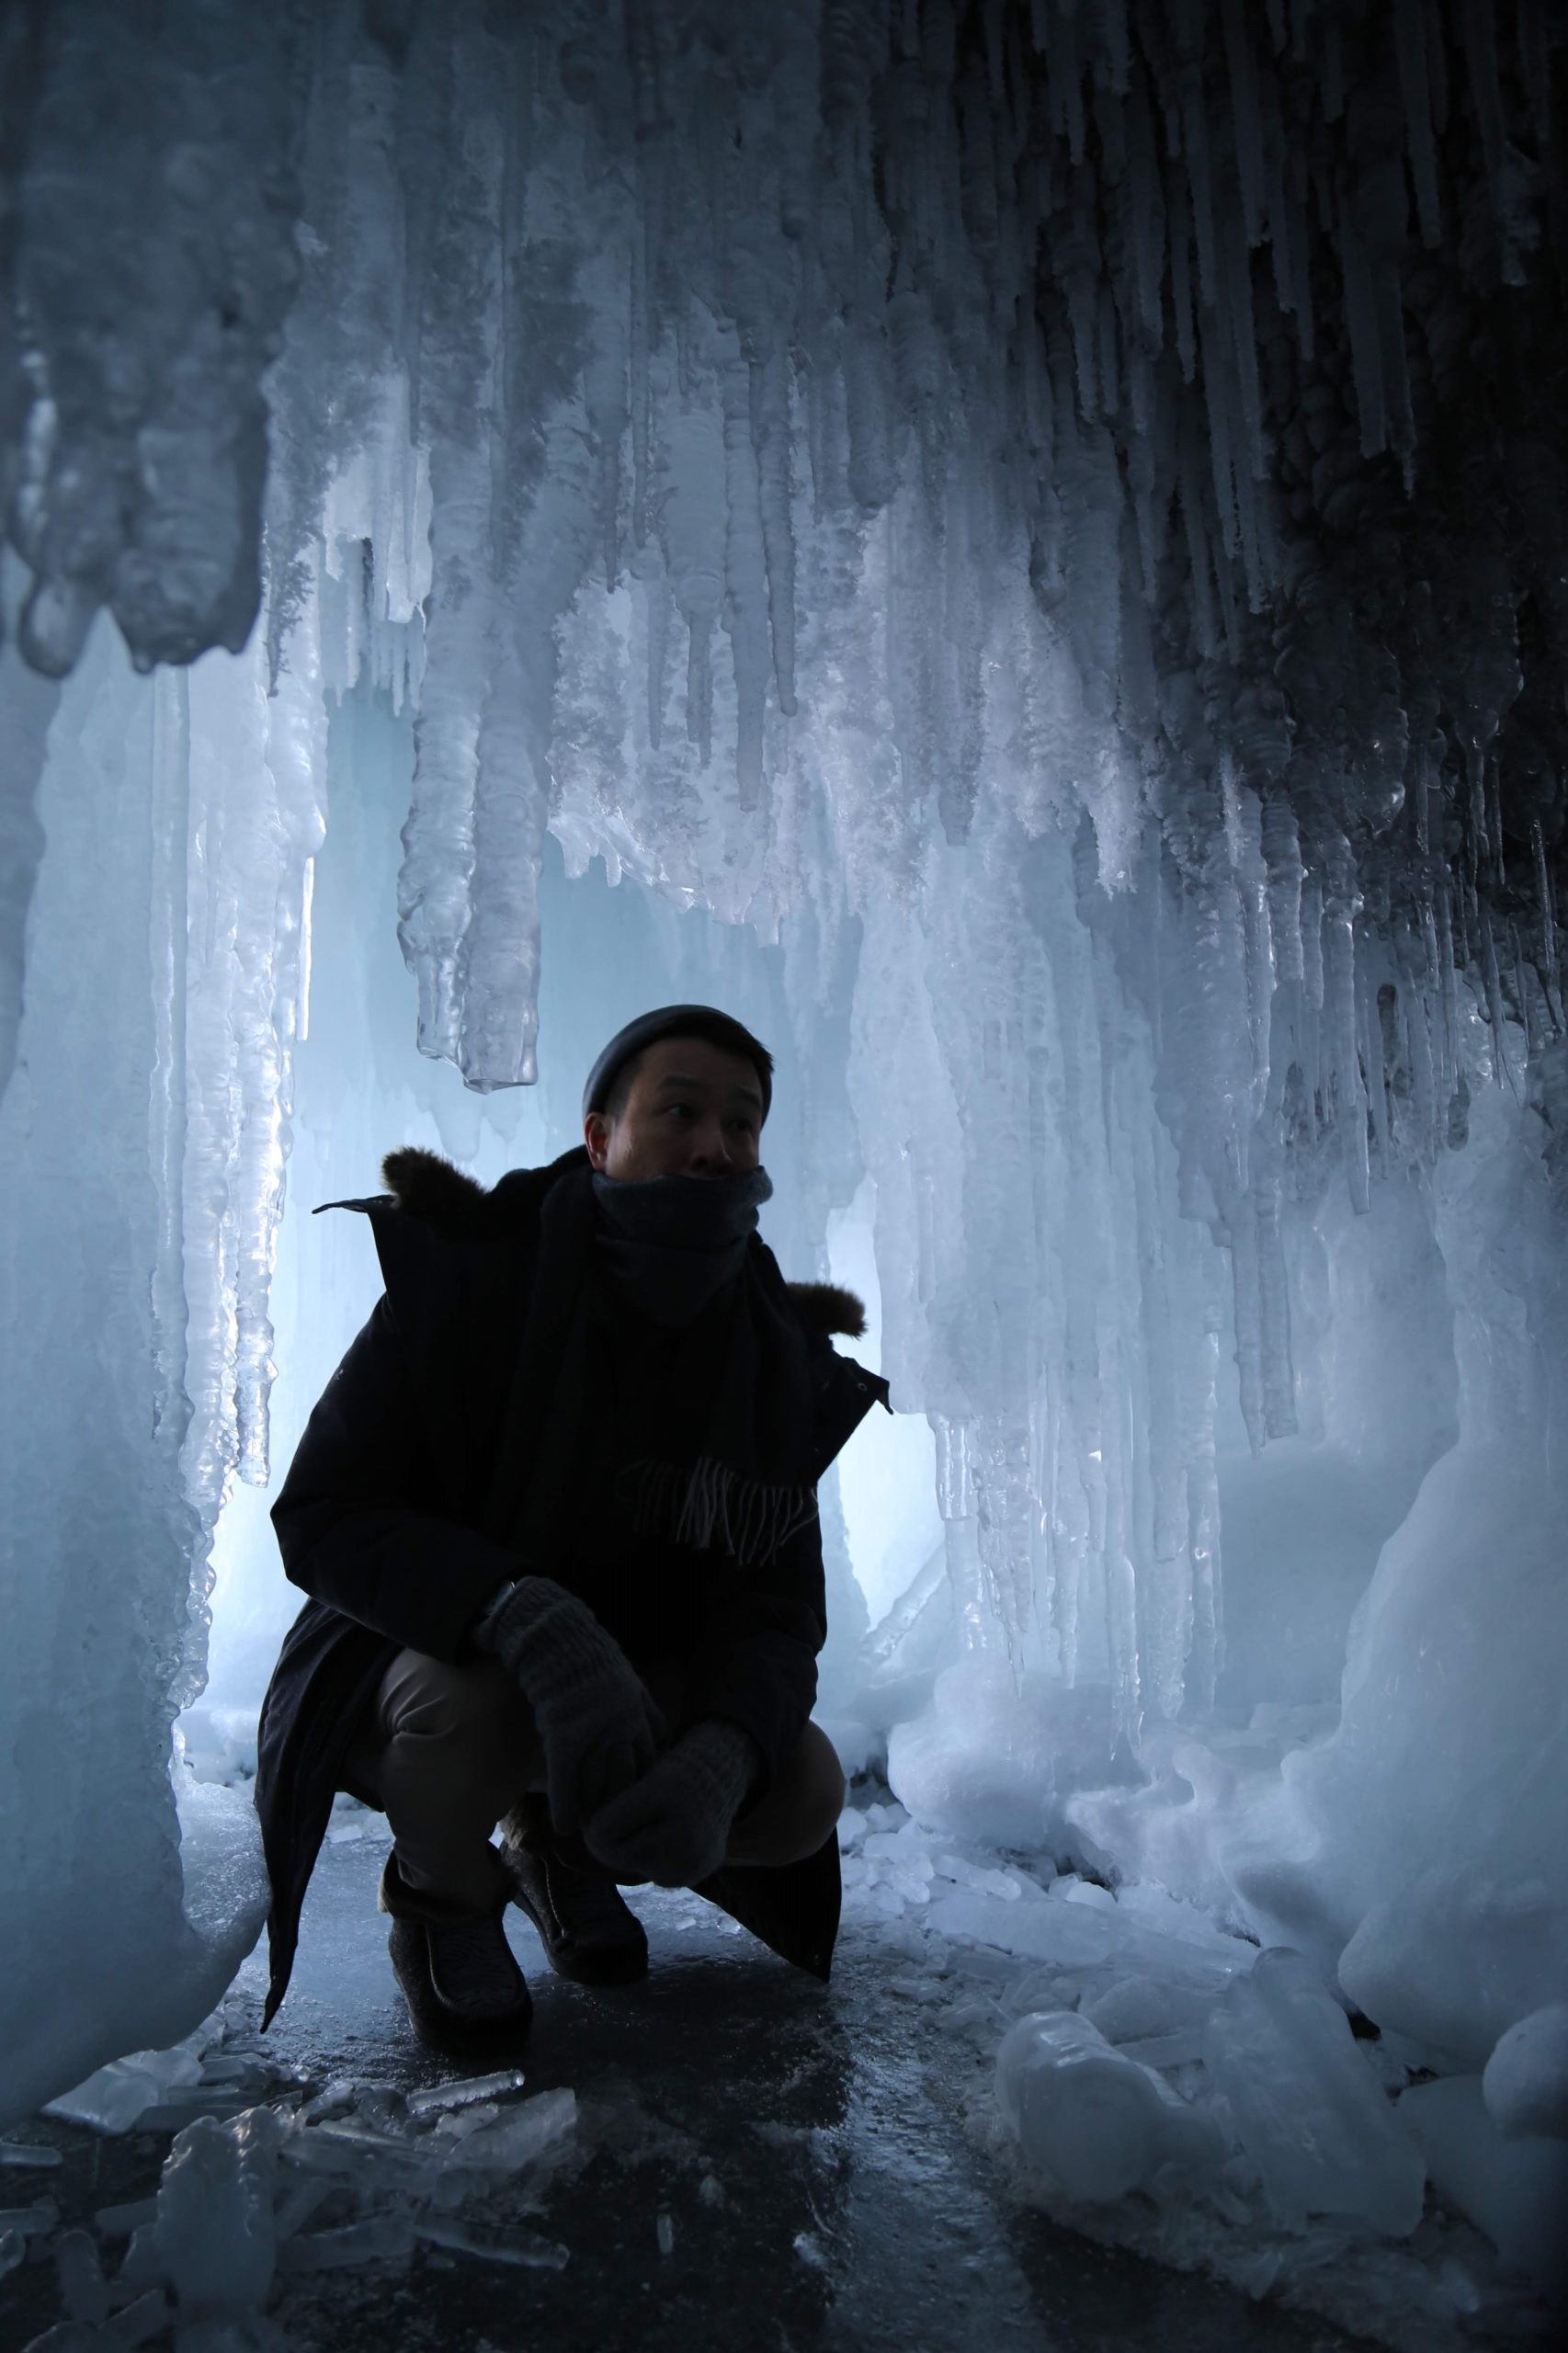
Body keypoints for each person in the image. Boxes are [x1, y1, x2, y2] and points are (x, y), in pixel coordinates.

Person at [254, 1006, 889, 2052]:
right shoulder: (471, 1278)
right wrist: (517, 1611)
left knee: (800, 1786)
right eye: (679, 1110)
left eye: (741, 1123)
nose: (713, 1145)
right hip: (421, 1663)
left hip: (633, 1681)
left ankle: (562, 1850)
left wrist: (725, 1750)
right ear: (599, 1138)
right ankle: (443, 1902)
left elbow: (776, 1612)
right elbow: (321, 1513)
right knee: (477, 1710)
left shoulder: (771, 1352)